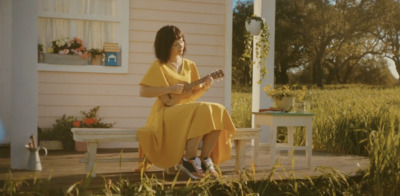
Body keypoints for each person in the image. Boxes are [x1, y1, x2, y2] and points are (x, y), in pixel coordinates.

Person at [136, 25, 236, 179]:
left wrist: (205, 87)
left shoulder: (190, 65)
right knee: (201, 109)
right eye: (176, 43)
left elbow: (191, 97)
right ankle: (189, 158)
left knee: (219, 109)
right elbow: (143, 91)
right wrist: (169, 89)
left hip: (186, 110)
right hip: (166, 112)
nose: (181, 45)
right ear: (165, 46)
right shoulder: (159, 66)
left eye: (182, 41)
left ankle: (205, 158)